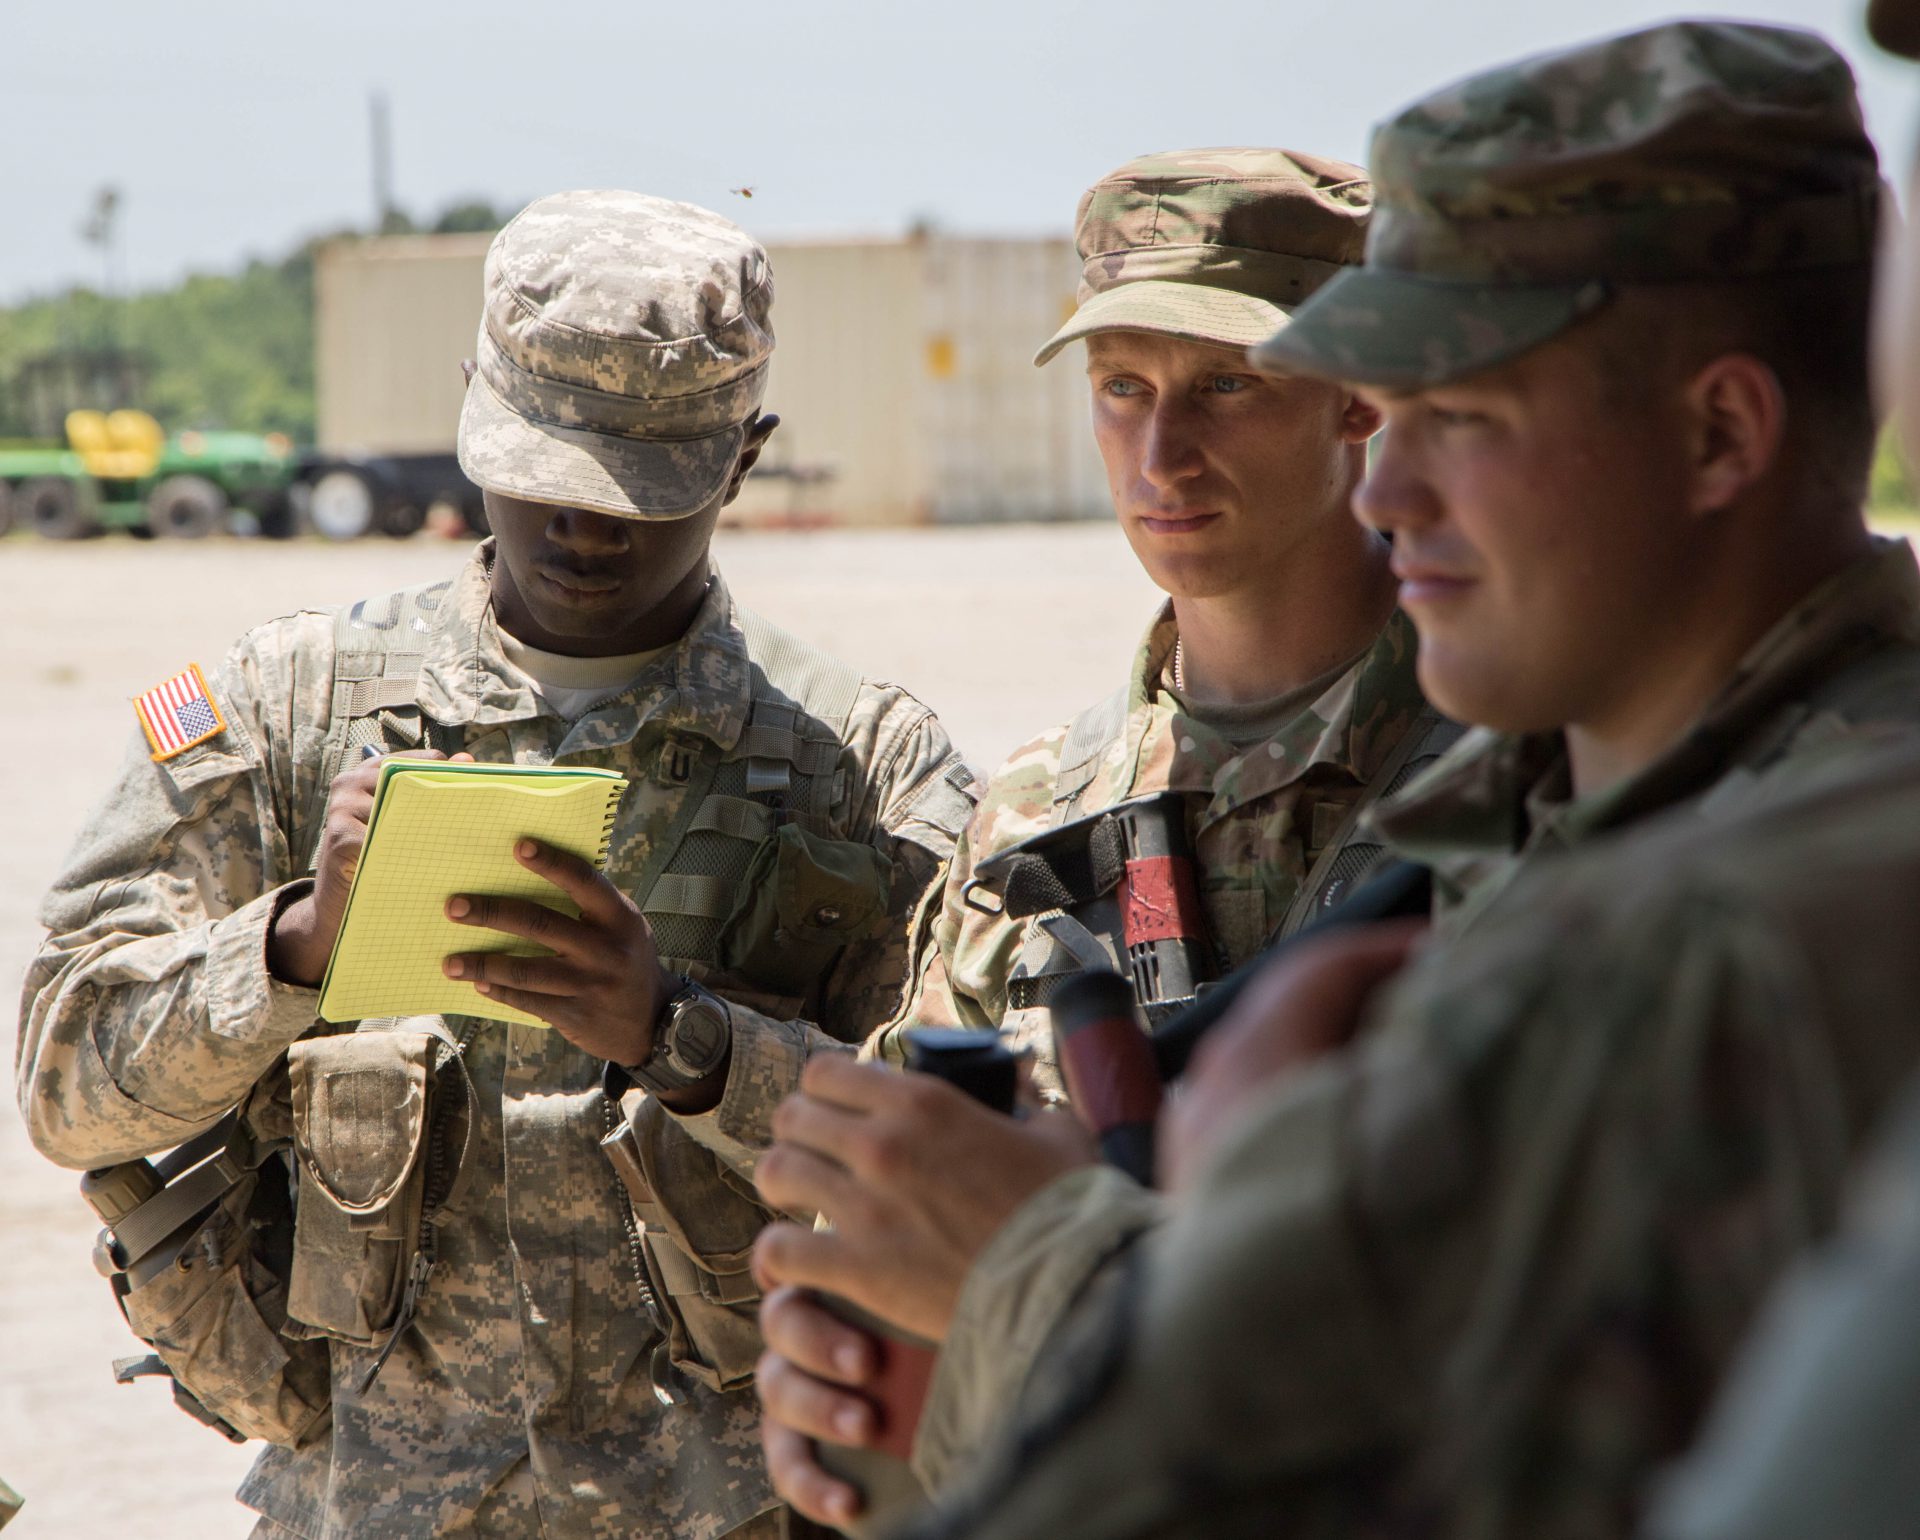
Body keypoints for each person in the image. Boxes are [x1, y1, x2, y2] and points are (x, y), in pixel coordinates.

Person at [747, 20, 1920, 1537]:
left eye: (1461, 418)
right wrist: (902, 1362)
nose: (1385, 487)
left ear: (1719, 433)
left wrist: (1035, 1273)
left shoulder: (1782, 916)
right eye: (1121, 387)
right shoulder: (1524, 825)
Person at [16, 190, 975, 1539]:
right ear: (472, 411)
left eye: (640, 491)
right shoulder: (285, 713)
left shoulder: (859, 770)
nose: (585, 529)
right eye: (546, 473)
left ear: (744, 459)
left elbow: (964, 1164)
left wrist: (686, 1043)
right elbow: (66, 1083)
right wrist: (294, 945)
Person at [737, 146, 1453, 1524]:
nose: (1160, 452)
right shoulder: (1042, 813)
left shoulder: (1516, 778)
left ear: (1360, 398)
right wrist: (828, 1372)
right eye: (1120, 388)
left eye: (1227, 384)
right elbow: (889, 1231)